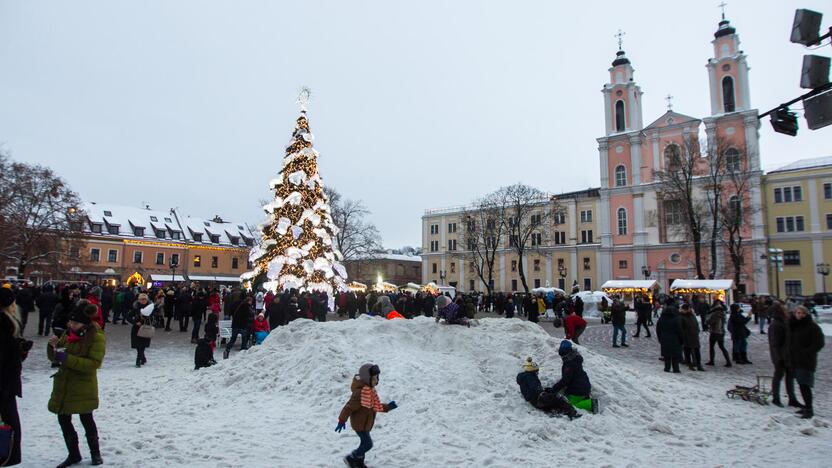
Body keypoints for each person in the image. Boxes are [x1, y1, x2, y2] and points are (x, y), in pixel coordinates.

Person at [47, 303, 106, 467]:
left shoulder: (96, 337)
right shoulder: (68, 334)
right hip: (64, 385)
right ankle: (73, 454)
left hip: (83, 387)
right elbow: (56, 358)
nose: (71, 325)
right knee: (64, 420)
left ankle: (96, 454)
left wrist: (66, 359)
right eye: (70, 323)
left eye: (75, 323)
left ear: (85, 324)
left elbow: (93, 363)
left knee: (87, 420)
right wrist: (52, 348)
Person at [336, 364, 397, 468]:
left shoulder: (369, 390)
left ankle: (358, 463)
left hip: (366, 423)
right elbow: (349, 407)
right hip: (359, 424)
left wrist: (388, 407)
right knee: (368, 444)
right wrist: (342, 420)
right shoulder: (360, 393)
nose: (377, 380)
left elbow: (375, 405)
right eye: (374, 378)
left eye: (378, 377)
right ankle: (351, 457)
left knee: (364, 443)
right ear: (367, 378)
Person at [1, 287, 33, 466]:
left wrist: (20, 349)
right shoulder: (5, 322)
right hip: (5, 384)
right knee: (10, 424)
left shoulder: (8, 323)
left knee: (10, 423)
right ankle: (6, 456)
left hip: (7, 382)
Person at [788, 305, 825, 419]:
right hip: (795, 359)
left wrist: (807, 352)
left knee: (805, 385)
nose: (799, 315)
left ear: (806, 314)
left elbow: (819, 343)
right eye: (797, 313)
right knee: (801, 384)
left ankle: (809, 409)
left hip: (806, 360)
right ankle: (806, 407)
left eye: (802, 313)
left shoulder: (812, 326)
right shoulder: (794, 325)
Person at [515, 357, 581, 420]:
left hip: (534, 401)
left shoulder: (524, 377)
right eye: (536, 371)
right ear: (532, 371)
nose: (537, 373)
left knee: (552, 402)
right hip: (538, 399)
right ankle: (572, 412)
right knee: (557, 397)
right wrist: (543, 393)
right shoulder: (530, 377)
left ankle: (557, 411)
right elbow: (534, 389)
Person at [549, 341, 596, 413]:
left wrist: (553, 389)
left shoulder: (569, 364)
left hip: (578, 390)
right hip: (584, 385)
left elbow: (565, 380)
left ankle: (591, 404)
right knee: (567, 397)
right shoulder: (575, 358)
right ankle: (584, 399)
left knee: (568, 405)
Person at [768, 302, 798, 408]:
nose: (786, 309)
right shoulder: (776, 324)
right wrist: (778, 357)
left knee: (790, 377)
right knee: (778, 376)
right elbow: (774, 343)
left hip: (788, 355)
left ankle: (792, 399)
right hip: (781, 356)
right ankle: (776, 398)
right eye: (784, 308)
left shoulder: (784, 321)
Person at [656, 298, 684, 373]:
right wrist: (682, 339)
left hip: (664, 337)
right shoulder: (676, 319)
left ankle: (667, 367)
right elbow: (679, 330)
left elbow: (658, 329)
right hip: (675, 338)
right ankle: (676, 368)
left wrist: (660, 338)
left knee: (667, 354)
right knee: (675, 354)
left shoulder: (662, 318)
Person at [128, 294, 154, 368]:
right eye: (141, 299)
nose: (143, 301)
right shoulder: (136, 308)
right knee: (137, 345)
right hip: (136, 328)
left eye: (145, 299)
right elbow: (128, 316)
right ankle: (142, 357)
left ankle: (138, 360)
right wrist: (135, 322)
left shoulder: (150, 308)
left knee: (142, 345)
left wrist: (148, 318)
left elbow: (153, 317)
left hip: (146, 328)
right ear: (139, 300)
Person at [705, 299, 732, 367]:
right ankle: (728, 361)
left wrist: (707, 317)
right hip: (721, 332)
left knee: (712, 347)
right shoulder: (723, 314)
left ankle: (712, 361)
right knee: (722, 346)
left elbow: (709, 322)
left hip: (715, 331)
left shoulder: (715, 314)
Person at [680, 303, 704, 371]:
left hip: (694, 335)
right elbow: (681, 327)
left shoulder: (692, 315)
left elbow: (696, 324)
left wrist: (697, 331)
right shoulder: (682, 316)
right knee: (688, 350)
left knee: (696, 351)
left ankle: (698, 364)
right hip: (687, 336)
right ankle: (690, 364)